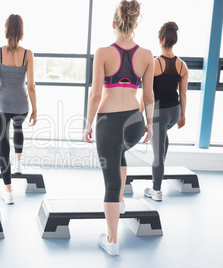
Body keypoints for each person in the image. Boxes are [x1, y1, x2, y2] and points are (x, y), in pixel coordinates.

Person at [83, 0, 154, 256]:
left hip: (108, 123)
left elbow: (95, 95)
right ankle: (121, 202)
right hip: (134, 123)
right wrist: (150, 125)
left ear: (114, 23)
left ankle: (112, 241)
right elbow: (148, 97)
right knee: (120, 152)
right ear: (134, 25)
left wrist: (88, 124)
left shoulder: (103, 53)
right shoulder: (147, 55)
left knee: (110, 182)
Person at [0, 14, 37, 204]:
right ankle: (19, 162)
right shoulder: (27, 54)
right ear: (21, 31)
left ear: (6, 29)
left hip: (1, 105)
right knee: (18, 127)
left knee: (3, 144)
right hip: (21, 105)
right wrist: (35, 109)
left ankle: (8, 191)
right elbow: (31, 86)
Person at [144, 22, 188, 201]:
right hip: (174, 112)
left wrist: (141, 116)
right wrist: (183, 115)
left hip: (159, 114)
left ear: (160, 40)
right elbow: (183, 94)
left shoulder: (154, 64)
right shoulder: (182, 65)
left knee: (157, 155)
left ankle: (156, 190)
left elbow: (146, 94)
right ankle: (159, 174)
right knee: (162, 144)